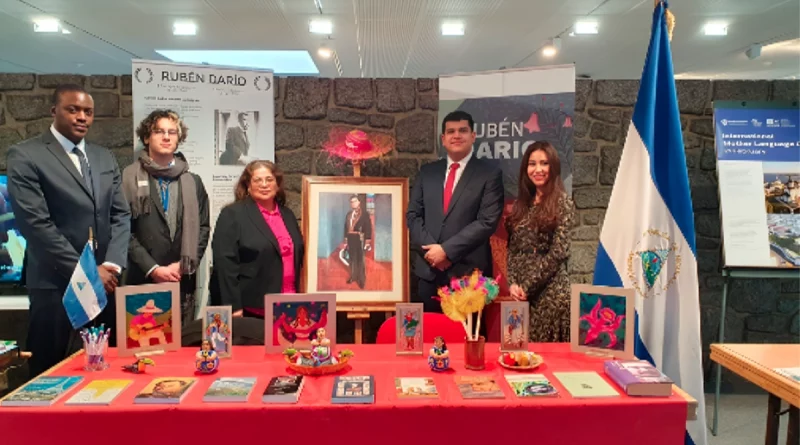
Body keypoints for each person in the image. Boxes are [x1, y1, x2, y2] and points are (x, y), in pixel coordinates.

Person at [7, 84, 131, 377]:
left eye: (88, 112)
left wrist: (111, 265)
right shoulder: (26, 155)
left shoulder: (103, 157)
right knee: (50, 371)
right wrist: (87, 272)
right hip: (55, 284)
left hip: (105, 282)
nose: (82, 117)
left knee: (103, 367)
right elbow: (36, 224)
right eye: (72, 110)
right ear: (54, 111)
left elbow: (121, 214)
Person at [406, 110, 504, 313]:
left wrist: (446, 251)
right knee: (429, 333)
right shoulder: (427, 173)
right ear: (443, 139)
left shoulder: (489, 174)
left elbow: (487, 221)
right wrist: (433, 254)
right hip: (429, 274)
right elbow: (413, 216)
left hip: (468, 278)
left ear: (473, 136)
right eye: (451, 131)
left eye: (462, 130)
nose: (456, 135)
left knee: (466, 334)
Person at [122, 110, 210, 324]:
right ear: (146, 137)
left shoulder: (193, 181)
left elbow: (203, 228)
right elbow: (122, 229)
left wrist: (182, 266)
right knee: (145, 340)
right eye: (159, 131)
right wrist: (153, 269)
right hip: (141, 279)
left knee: (182, 342)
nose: (166, 137)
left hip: (182, 279)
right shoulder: (128, 179)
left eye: (172, 132)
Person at [211, 160, 304, 318]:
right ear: (248, 185)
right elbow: (225, 264)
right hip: (252, 308)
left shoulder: (287, 214)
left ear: (277, 184)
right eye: (257, 180)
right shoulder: (233, 214)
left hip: (289, 303)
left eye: (269, 179)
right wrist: (233, 307)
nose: (264, 185)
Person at [506, 141, 575, 342]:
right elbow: (512, 249)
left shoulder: (563, 202)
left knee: (545, 358)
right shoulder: (522, 204)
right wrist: (513, 284)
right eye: (532, 164)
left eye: (544, 163)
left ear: (553, 167)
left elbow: (559, 252)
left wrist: (527, 286)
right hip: (520, 299)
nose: (538, 169)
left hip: (551, 298)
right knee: (517, 353)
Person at [342, 194, 372, 288]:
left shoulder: (364, 214)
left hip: (360, 239)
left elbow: (368, 228)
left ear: (359, 202)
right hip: (350, 238)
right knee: (352, 259)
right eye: (351, 202)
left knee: (360, 260)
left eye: (355, 201)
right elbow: (345, 228)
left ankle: (361, 280)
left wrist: (367, 242)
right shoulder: (348, 214)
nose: (353, 203)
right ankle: (353, 276)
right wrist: (345, 241)